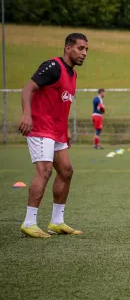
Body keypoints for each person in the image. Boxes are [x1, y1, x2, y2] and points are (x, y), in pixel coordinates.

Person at [18, 33, 88, 238]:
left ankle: (57, 222)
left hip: (57, 132)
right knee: (45, 170)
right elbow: (28, 88)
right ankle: (29, 222)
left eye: (86, 50)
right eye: (80, 48)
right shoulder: (52, 66)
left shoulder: (73, 75)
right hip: (40, 128)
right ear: (68, 48)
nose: (84, 53)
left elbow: (61, 106)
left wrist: (65, 132)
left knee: (66, 171)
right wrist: (27, 115)